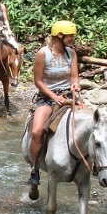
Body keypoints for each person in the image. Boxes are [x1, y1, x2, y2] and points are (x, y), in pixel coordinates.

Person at [27, 20, 84, 186]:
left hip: (68, 95)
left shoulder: (71, 53)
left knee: (91, 122)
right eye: (70, 35)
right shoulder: (43, 54)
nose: (73, 38)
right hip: (46, 97)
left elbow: (74, 77)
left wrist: (76, 84)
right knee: (37, 131)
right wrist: (53, 96)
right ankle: (34, 168)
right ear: (59, 36)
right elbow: (38, 81)